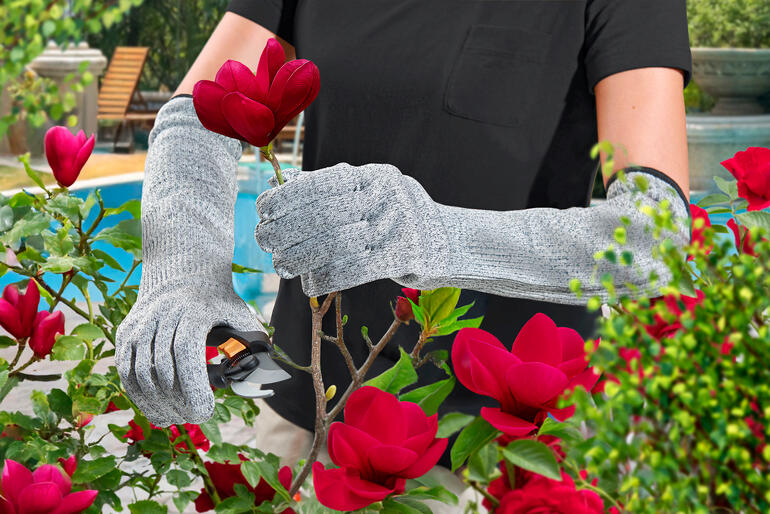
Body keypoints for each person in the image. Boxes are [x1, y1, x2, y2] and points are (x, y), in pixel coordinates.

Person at [115, 0, 693, 508]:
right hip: (307, 412)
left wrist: (432, 234)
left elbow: (653, 236)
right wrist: (186, 269)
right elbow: (195, 119)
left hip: (493, 448)